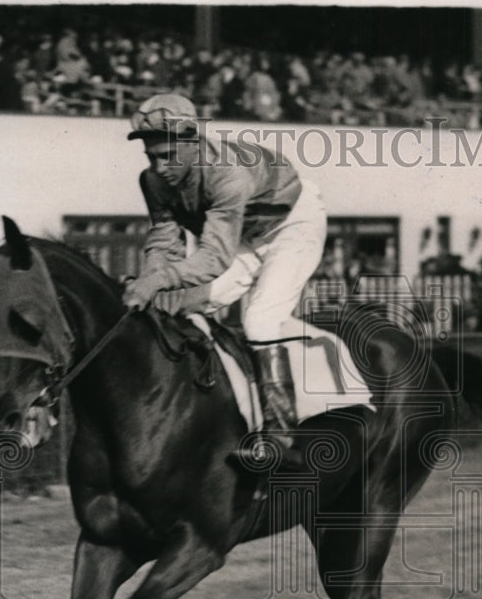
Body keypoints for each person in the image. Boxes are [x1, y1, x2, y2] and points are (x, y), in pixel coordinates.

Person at [123, 92, 328, 470]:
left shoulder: (226, 172)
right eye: (151, 157)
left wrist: (156, 283)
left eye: (167, 155)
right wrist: (151, 278)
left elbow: (214, 258)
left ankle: (280, 435)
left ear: (192, 142)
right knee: (187, 305)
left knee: (260, 321)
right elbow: (163, 242)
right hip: (245, 234)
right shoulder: (153, 181)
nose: (159, 167)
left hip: (292, 224)